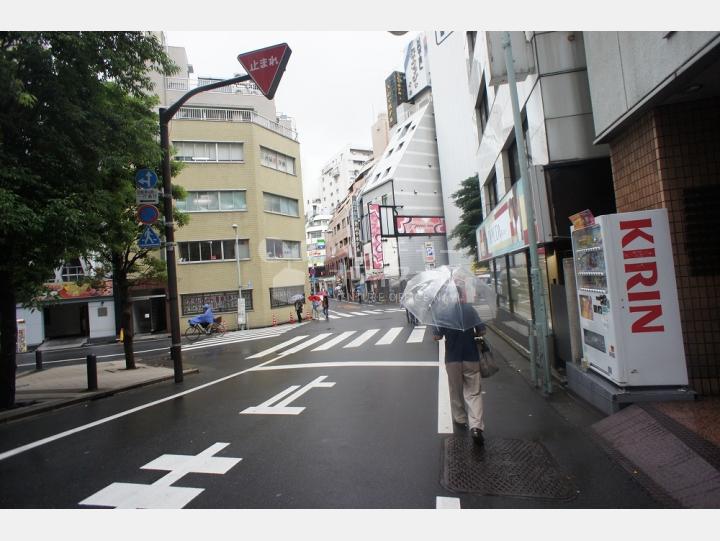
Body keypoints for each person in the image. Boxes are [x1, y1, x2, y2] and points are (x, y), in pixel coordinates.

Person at [432, 297, 486, 446]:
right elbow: (482, 330)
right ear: (461, 295)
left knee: (455, 389)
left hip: (452, 358)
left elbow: (436, 336)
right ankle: (476, 427)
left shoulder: (443, 313)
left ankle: (460, 418)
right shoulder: (470, 309)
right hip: (471, 356)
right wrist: (471, 334)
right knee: (474, 392)